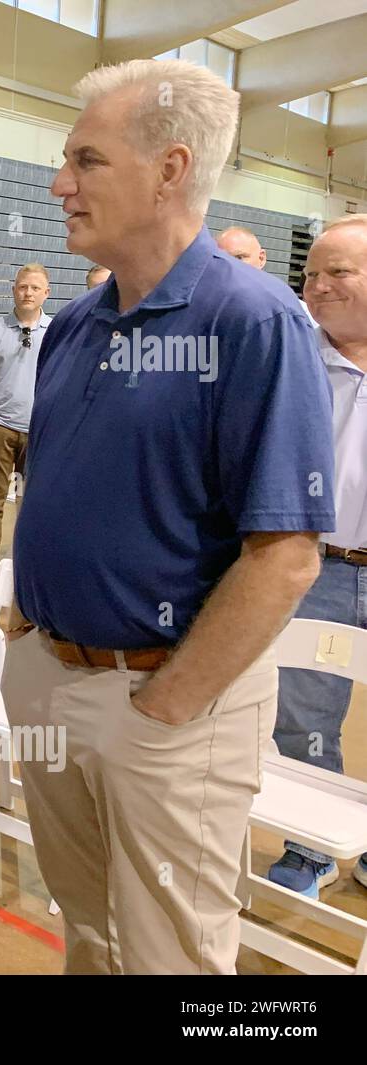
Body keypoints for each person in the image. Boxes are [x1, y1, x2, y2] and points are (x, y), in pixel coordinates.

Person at [3, 59, 335, 974]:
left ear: (170, 169)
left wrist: (166, 706)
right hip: (50, 678)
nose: (60, 183)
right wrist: (26, 624)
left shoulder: (254, 322)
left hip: (164, 702)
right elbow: (58, 484)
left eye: (87, 160)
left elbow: (286, 557)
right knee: (87, 929)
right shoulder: (75, 324)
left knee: (173, 959)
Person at [268, 215, 367, 897]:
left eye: (339, 272)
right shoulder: (293, 355)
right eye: (311, 274)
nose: (319, 286)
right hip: (321, 565)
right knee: (303, 715)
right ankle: (312, 846)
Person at [0, 264, 51, 591]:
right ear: (13, 290)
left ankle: (30, 565)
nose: (27, 293)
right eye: (22, 287)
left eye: (34, 288)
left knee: (32, 501)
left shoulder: (57, 330)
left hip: (40, 430)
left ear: (46, 292)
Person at [217, 224, 316, 323]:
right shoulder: (207, 308)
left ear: (261, 258)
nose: (230, 266)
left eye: (239, 257)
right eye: (222, 259)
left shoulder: (293, 313)